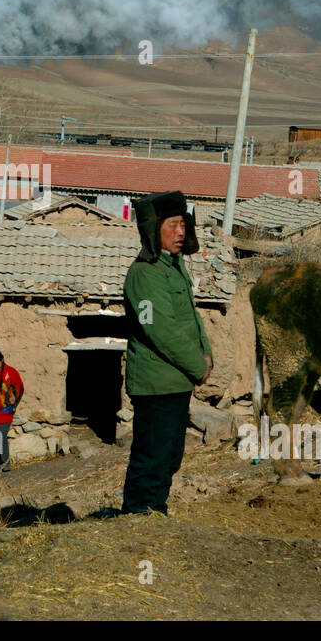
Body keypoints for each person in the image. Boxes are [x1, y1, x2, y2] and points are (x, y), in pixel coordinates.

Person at [120, 190, 212, 515]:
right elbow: (158, 329)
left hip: (175, 383)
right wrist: (197, 365)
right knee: (152, 461)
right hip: (156, 385)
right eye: (173, 224)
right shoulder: (145, 274)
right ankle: (139, 519)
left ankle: (153, 516)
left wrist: (206, 353)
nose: (181, 231)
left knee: (169, 458)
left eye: (183, 224)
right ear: (154, 228)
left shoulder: (174, 268)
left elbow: (191, 317)